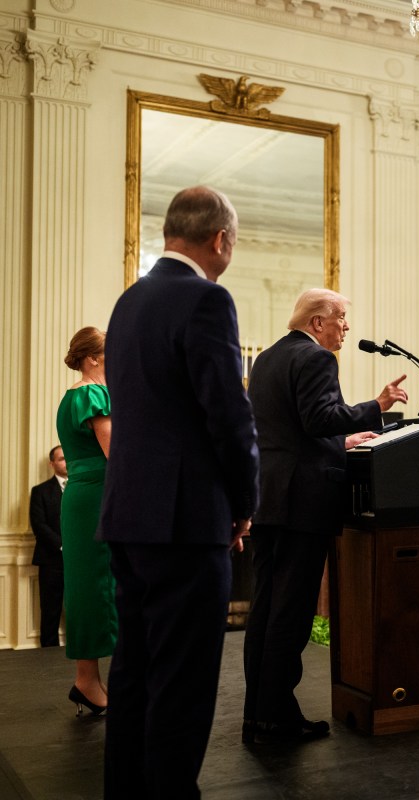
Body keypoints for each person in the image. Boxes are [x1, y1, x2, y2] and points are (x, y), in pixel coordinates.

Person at [100, 186, 260, 799]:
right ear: (220, 239)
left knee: (135, 671)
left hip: (129, 515)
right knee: (184, 683)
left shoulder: (129, 301)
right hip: (185, 521)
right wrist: (245, 505)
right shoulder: (206, 300)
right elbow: (228, 415)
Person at [243, 286, 408, 745]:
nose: (346, 328)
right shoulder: (316, 359)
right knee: (290, 615)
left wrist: (340, 443)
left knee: (265, 610)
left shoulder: (268, 359)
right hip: (303, 503)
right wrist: (377, 406)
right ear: (318, 322)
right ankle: (276, 720)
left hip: (272, 498)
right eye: (340, 319)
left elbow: (293, 429)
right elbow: (319, 418)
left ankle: (258, 714)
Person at [56, 327, 118, 714]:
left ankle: (89, 679)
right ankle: (86, 680)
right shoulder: (92, 393)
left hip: (88, 496)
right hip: (96, 496)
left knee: (94, 587)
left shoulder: (72, 396)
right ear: (92, 358)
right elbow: (118, 453)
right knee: (95, 588)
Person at [29, 445, 67, 648]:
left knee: (81, 611)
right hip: (51, 560)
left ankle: (83, 651)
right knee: (50, 610)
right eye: (61, 459)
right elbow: (39, 526)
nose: (67, 462)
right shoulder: (40, 491)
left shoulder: (84, 490)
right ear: (52, 463)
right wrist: (63, 547)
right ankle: (47, 654)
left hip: (81, 562)